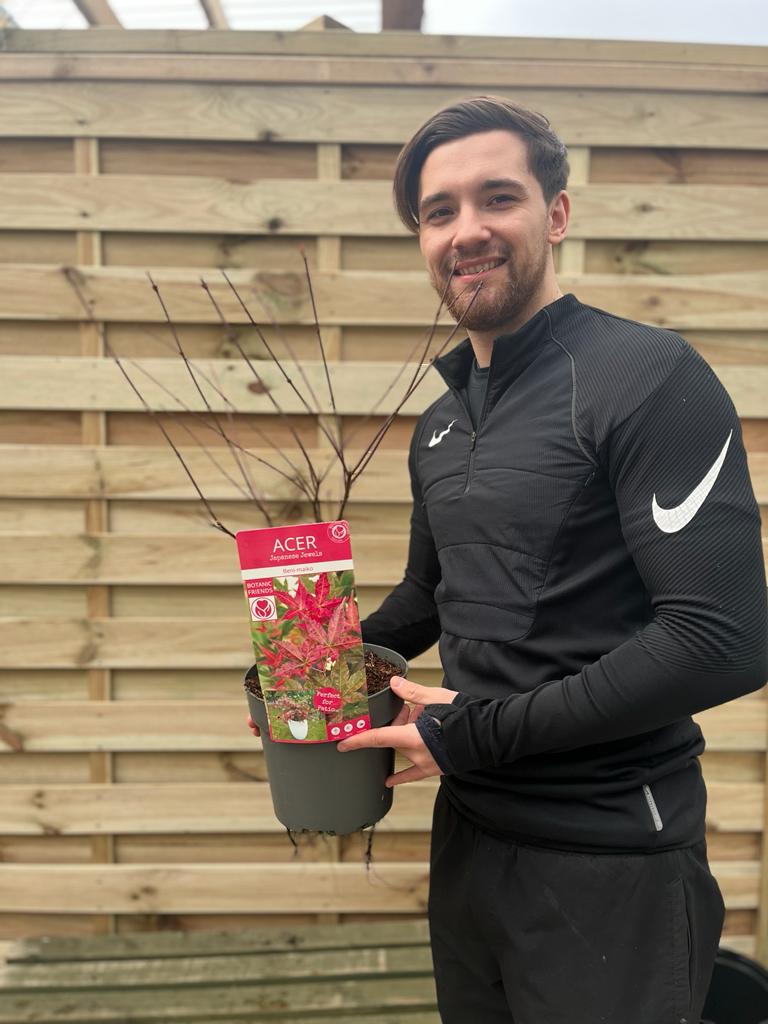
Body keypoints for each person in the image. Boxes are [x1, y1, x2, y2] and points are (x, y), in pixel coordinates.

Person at [332, 97, 768, 1023]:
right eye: (439, 211)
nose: (467, 230)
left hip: (609, 858)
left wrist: (471, 735)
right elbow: (430, 594)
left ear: (557, 213)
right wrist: (315, 665)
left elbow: (722, 637)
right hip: (472, 848)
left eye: (498, 198)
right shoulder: (444, 420)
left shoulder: (647, 379)